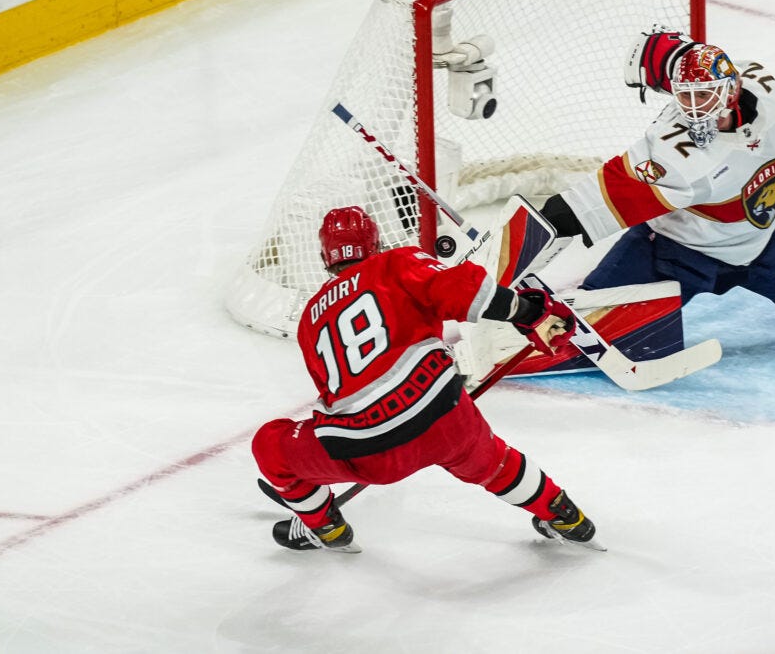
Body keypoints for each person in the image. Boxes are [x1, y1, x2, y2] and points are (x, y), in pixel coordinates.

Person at [251, 205, 600, 553]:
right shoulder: (394, 263)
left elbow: (333, 393)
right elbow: (462, 289)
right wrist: (528, 312)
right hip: (446, 417)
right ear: (376, 245)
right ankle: (564, 515)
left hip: (368, 448)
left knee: (270, 445)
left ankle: (324, 527)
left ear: (325, 257)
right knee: (494, 462)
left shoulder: (309, 319)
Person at [537, 29, 775, 310]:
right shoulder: (669, 153)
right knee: (591, 328)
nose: (693, 109)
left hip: (764, 242)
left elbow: (721, 66)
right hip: (677, 252)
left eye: (703, 95)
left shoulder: (769, 94)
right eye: (684, 96)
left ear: (731, 90)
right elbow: (579, 208)